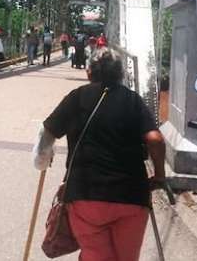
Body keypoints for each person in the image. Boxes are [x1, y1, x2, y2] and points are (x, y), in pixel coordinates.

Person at [33, 49, 166, 261]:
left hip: (86, 196)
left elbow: (46, 133)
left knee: (96, 256)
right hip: (131, 196)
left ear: (89, 72)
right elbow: (155, 140)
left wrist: (41, 160)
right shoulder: (133, 101)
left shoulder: (77, 97)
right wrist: (159, 176)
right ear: (121, 74)